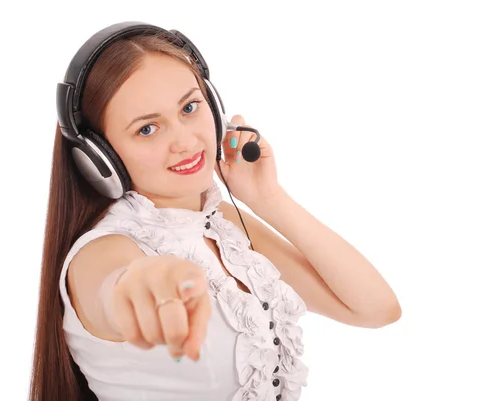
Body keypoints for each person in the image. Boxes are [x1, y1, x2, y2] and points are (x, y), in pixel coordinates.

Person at [29, 21, 401, 401]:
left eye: (190, 107)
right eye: (147, 129)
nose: (186, 140)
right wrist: (141, 285)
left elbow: (374, 308)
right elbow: (114, 287)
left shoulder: (221, 223)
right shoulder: (101, 251)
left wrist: (268, 198)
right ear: (100, 157)